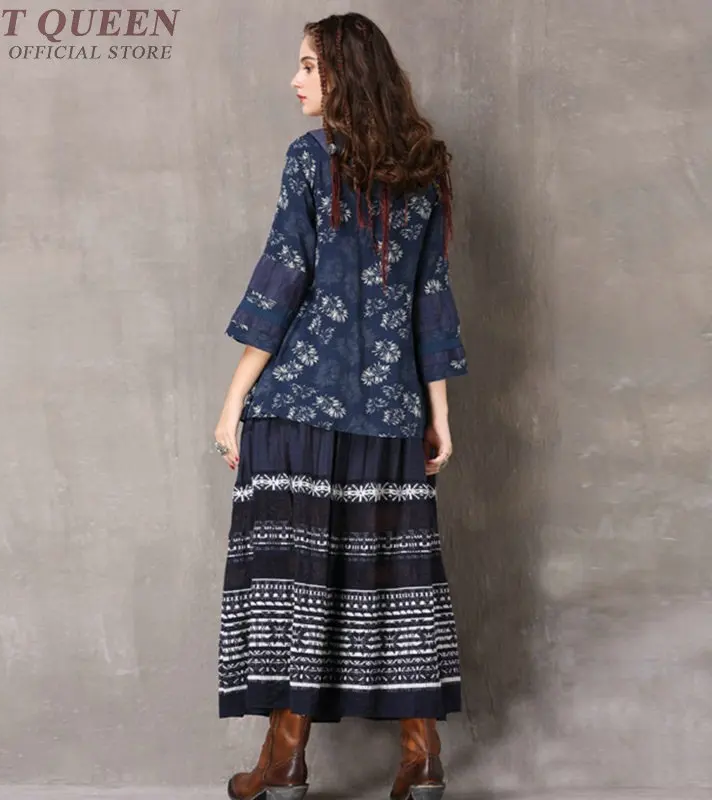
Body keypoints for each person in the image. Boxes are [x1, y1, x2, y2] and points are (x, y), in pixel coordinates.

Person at [212, 12, 468, 800]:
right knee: (395, 584)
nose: (295, 80)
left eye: (308, 66)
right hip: (389, 415)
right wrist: (438, 414)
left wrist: (233, 400)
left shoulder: (309, 159)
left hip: (298, 411)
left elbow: (283, 276)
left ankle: (286, 763)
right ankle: (421, 757)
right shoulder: (425, 169)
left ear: (343, 74)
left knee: (297, 582)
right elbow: (431, 297)